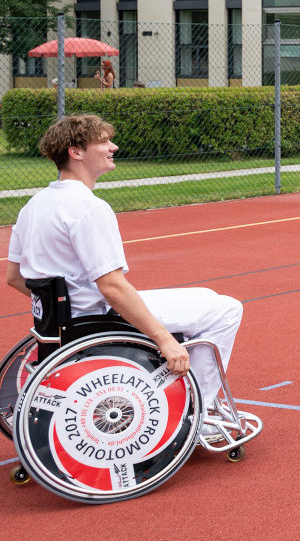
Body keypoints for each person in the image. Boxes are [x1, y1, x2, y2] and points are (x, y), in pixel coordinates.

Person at [5, 115, 245, 431]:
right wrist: (164, 340)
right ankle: (195, 415)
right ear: (76, 152)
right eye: (103, 141)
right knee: (226, 310)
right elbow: (113, 286)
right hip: (97, 317)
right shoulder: (88, 208)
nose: (113, 146)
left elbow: (14, 277)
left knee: (206, 297)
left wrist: (61, 306)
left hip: (65, 320)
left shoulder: (34, 205)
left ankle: (191, 400)